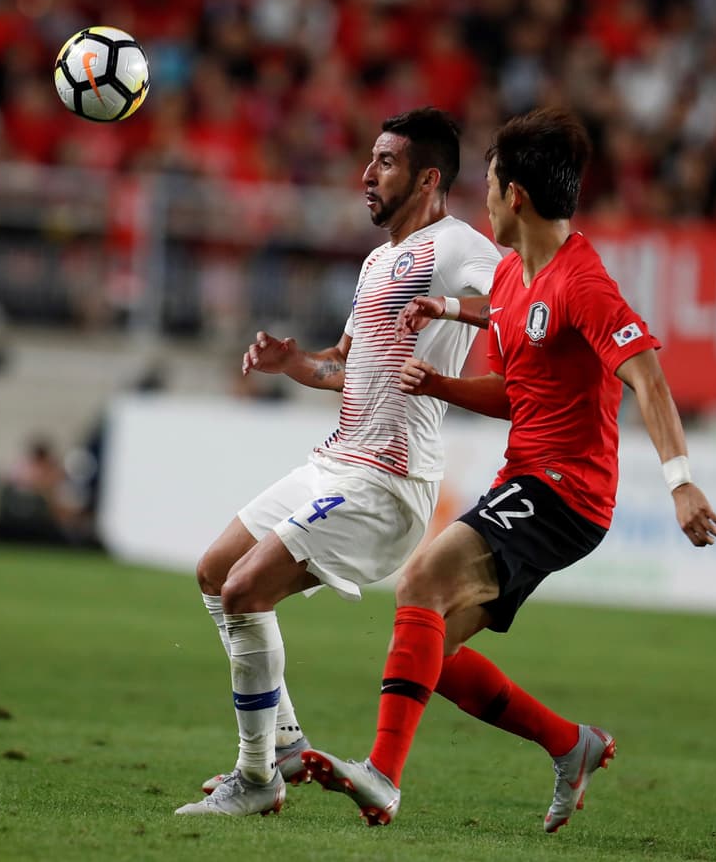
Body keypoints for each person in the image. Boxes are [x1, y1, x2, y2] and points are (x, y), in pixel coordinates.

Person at [300, 108, 716, 831]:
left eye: (491, 185)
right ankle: (571, 745)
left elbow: (646, 378)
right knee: (431, 641)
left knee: (420, 581)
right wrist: (440, 377)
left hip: (566, 491)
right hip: (526, 480)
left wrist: (681, 481)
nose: (485, 199)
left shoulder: (581, 283)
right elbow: (515, 388)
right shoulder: (516, 277)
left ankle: (381, 777)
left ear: (515, 196)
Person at [174, 107, 503, 817]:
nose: (367, 173)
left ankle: (258, 778)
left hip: (388, 479)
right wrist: (295, 362)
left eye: (385, 161)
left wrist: (448, 307)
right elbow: (344, 367)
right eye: (371, 158)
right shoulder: (377, 261)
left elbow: (520, 300)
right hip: (335, 460)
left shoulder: (457, 245)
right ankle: (285, 744)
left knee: (244, 592)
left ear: (429, 178)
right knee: (214, 572)